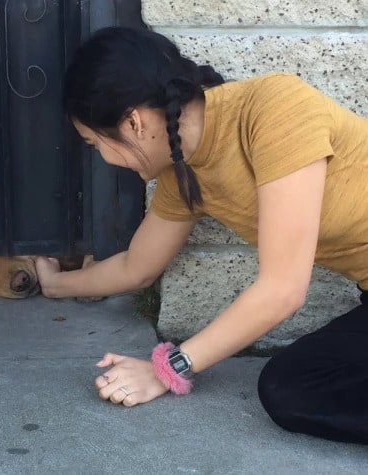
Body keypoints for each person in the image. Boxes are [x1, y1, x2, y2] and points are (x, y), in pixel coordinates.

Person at [35, 26, 368, 444]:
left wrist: (167, 368)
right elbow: (136, 268)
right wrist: (55, 285)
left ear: (134, 122)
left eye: (93, 142)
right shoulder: (182, 174)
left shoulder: (276, 110)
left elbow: (283, 290)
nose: (102, 158)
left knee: (290, 389)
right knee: (295, 386)